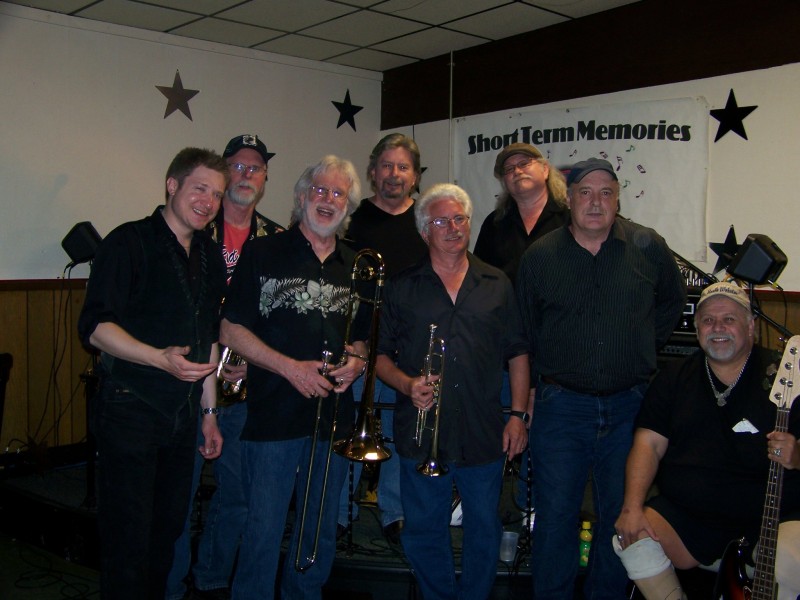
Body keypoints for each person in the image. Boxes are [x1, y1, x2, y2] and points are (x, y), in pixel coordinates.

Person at [516, 157, 687, 599]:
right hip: (560, 407)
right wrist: (533, 387)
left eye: (606, 193)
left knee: (622, 517)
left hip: (630, 406)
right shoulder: (540, 257)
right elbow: (526, 328)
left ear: (617, 200)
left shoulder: (648, 249)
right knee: (555, 516)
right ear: (569, 200)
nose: (596, 202)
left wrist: (641, 344)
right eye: (586, 193)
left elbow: (672, 300)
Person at [77, 147, 228, 599]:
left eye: (217, 194)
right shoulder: (128, 242)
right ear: (172, 185)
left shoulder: (212, 256)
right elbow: (95, 329)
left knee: (165, 537)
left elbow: (207, 341)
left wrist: (210, 412)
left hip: (183, 418)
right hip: (130, 408)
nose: (208, 201)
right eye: (200, 187)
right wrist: (158, 358)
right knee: (127, 541)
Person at [220, 155, 368, 599]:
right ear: (302, 198)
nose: (328, 200)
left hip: (335, 417)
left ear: (348, 204)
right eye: (319, 191)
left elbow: (362, 339)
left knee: (319, 528)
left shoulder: (358, 265)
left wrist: (358, 362)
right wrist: (289, 368)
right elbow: (231, 328)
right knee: (262, 526)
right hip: (273, 416)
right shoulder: (264, 251)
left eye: (337, 193)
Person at [375, 182, 530, 600]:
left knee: (485, 526)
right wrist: (407, 384)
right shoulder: (402, 285)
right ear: (425, 231)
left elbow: (517, 353)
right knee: (424, 528)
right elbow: (379, 355)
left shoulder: (497, 282)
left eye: (459, 218)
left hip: (484, 428)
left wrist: (518, 415)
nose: (452, 227)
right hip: (421, 429)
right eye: (441, 220)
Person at [613, 282, 800, 600]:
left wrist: (797, 456)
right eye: (709, 320)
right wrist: (631, 507)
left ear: (751, 326)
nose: (718, 328)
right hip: (692, 517)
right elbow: (648, 445)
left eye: (729, 319)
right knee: (631, 537)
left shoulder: (786, 375)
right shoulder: (674, 378)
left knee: (790, 562)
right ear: (697, 327)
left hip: (773, 517)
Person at [166, 134, 283, 600]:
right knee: (180, 493)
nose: (246, 175)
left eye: (256, 168)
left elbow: (282, 314)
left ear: (265, 178)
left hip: (247, 391)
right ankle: (171, 585)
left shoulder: (278, 239)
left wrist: (254, 363)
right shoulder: (192, 229)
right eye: (237, 166)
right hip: (188, 384)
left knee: (238, 495)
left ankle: (212, 575)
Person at [337, 132, 428, 544]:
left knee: (396, 431)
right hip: (353, 345)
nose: (394, 174)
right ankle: (340, 512)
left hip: (403, 350)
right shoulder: (349, 216)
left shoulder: (427, 220)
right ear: (373, 172)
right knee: (348, 428)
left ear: (415, 175)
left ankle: (394, 512)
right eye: (387, 166)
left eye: (403, 167)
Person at [473, 142, 569, 520]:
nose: (516, 171)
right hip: (504, 352)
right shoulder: (494, 226)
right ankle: (486, 511)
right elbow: (477, 281)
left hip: (557, 353)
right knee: (498, 432)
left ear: (545, 170)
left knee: (545, 439)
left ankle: (534, 511)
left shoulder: (571, 218)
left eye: (525, 163)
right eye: (508, 168)